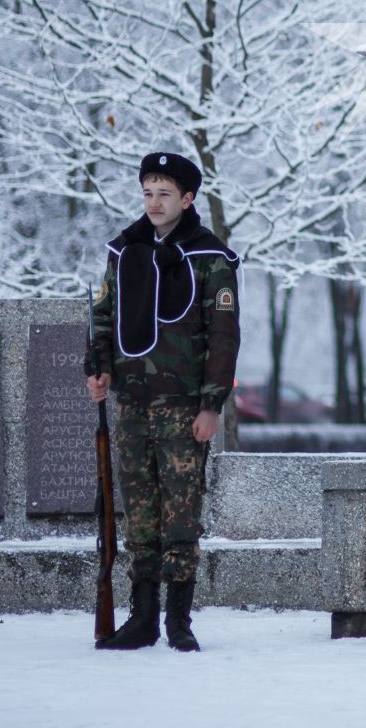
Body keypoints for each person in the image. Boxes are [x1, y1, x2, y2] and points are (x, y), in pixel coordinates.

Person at [84, 152, 241, 652]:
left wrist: (211, 406)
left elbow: (224, 338)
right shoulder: (125, 250)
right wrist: (99, 368)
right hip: (131, 404)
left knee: (181, 515)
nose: (153, 202)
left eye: (165, 193)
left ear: (188, 199)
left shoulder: (211, 257)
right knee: (140, 515)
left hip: (183, 407)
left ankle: (178, 620)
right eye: (147, 192)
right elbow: (103, 317)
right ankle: (143, 617)